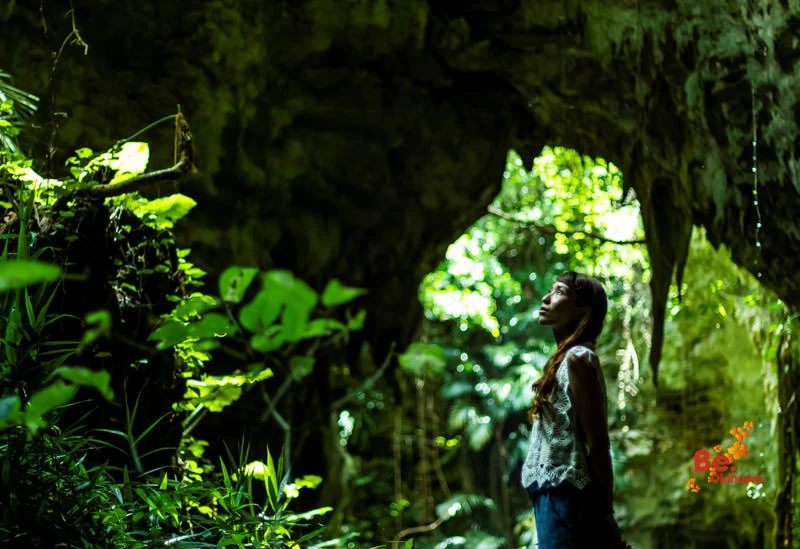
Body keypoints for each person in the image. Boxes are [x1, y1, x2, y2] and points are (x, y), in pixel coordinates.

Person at [520, 271, 630, 549]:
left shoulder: (578, 359)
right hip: (551, 499)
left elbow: (599, 444)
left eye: (558, 292)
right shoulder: (560, 362)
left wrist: (606, 515)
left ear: (582, 311)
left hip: (569, 501)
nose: (545, 298)